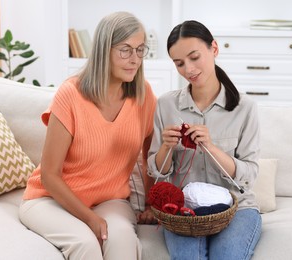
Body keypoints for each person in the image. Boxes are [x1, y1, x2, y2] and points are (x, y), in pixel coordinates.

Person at [19, 11, 157, 260]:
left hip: (110, 200)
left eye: (140, 50)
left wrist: (149, 204)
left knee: (122, 240)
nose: (134, 59)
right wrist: (90, 218)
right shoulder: (70, 94)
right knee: (86, 243)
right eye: (125, 49)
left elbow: (150, 160)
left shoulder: (144, 96)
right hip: (50, 199)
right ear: (105, 50)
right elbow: (49, 176)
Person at [147, 20, 262, 260]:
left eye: (194, 57)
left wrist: (211, 147)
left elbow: (249, 175)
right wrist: (166, 147)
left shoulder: (245, 108)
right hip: (183, 210)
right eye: (179, 63)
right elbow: (158, 174)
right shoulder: (166, 105)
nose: (188, 69)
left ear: (214, 49)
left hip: (236, 207)